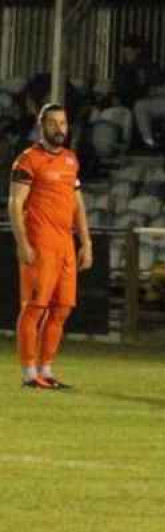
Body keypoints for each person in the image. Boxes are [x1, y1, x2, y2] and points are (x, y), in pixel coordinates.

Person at [8, 103, 94, 389]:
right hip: (40, 243)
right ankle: (28, 373)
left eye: (64, 123)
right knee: (35, 307)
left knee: (62, 309)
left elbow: (77, 204)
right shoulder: (27, 160)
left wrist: (87, 242)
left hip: (66, 244)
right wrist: (22, 243)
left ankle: (46, 368)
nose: (60, 129)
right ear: (41, 125)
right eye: (53, 123)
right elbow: (15, 203)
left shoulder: (71, 160)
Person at [112, 35, 162, 110]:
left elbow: (147, 88)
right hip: (122, 104)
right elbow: (116, 85)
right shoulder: (122, 68)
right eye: (125, 54)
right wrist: (114, 96)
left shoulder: (147, 67)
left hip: (139, 104)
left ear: (138, 50)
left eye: (129, 53)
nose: (127, 56)